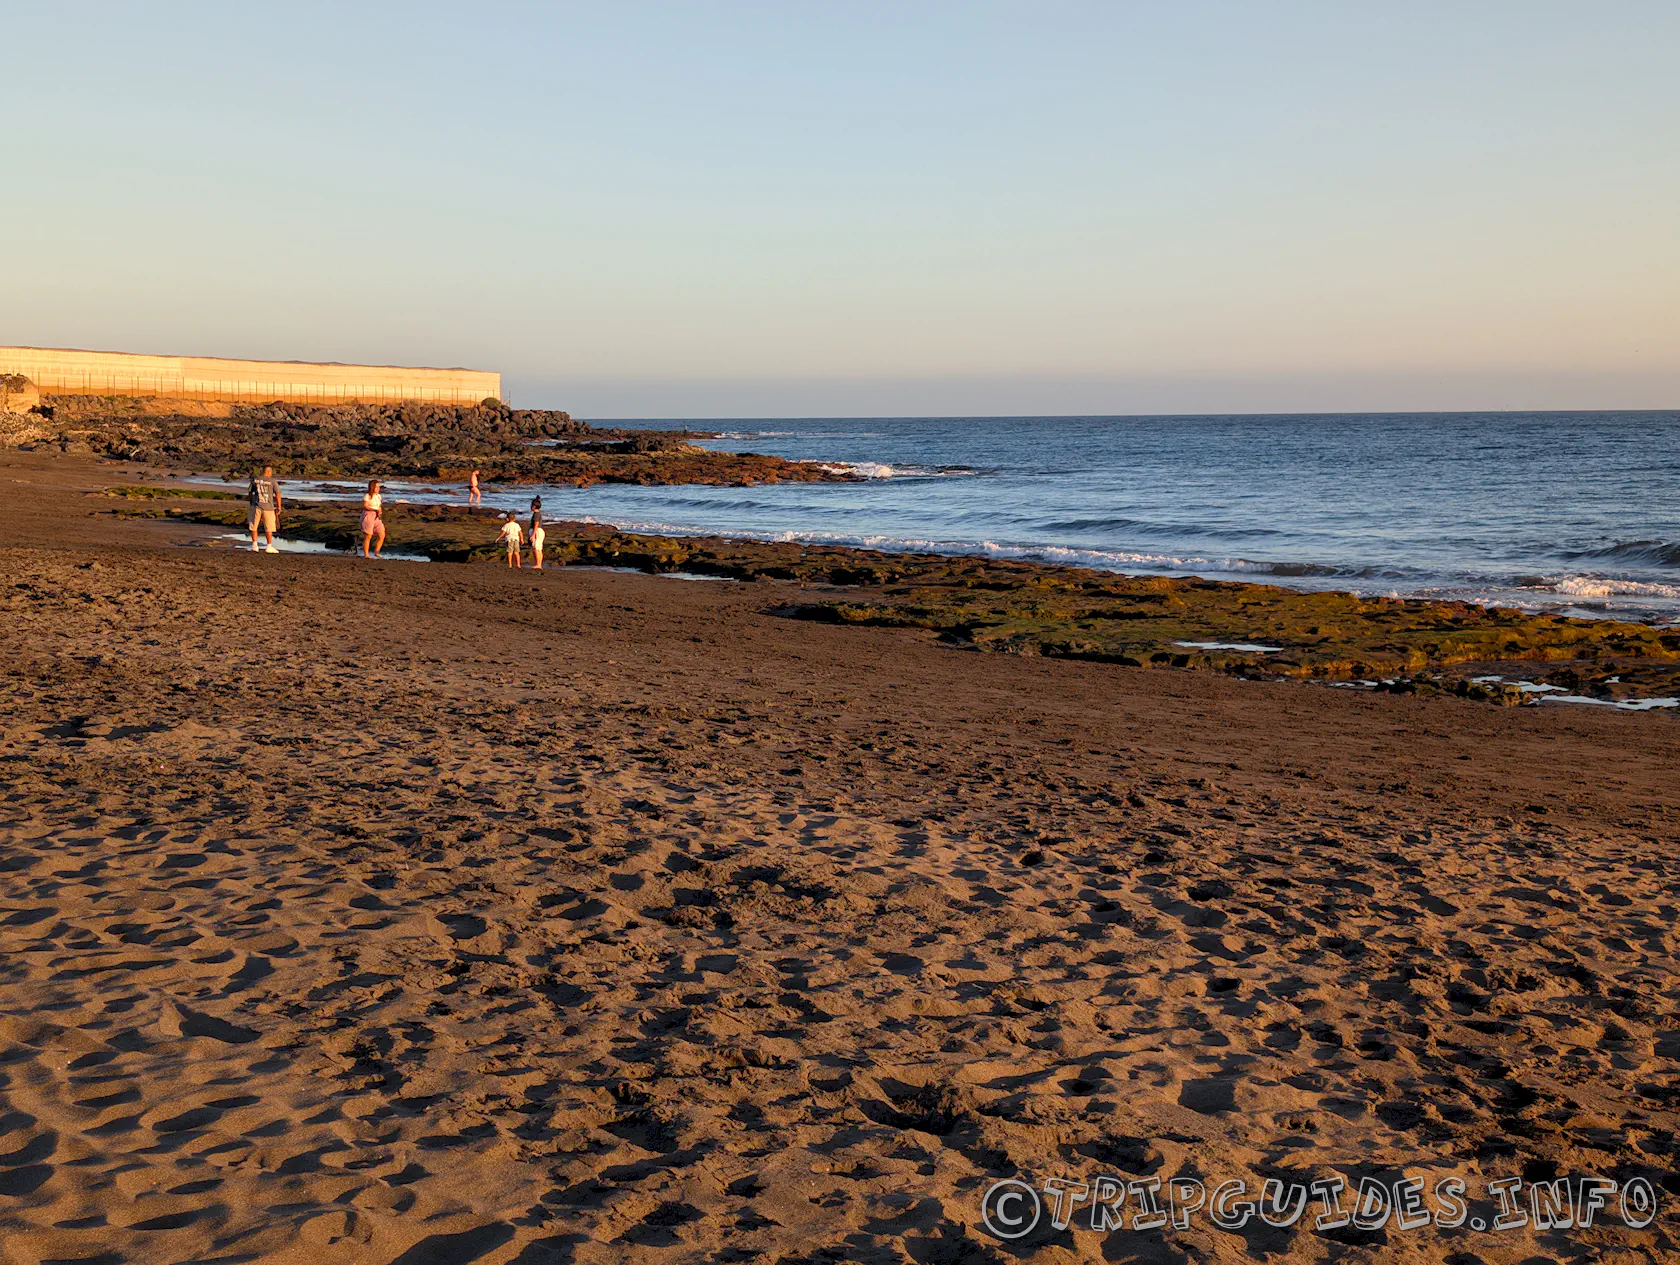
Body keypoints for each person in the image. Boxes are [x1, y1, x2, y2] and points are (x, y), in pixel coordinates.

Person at [247, 465, 282, 553]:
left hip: (256, 506)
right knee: (269, 527)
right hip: (268, 507)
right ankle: (269, 546)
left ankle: (255, 545)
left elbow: (250, 492)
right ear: (269, 472)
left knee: (254, 526)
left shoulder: (255, 479)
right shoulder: (272, 481)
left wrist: (251, 503)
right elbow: (278, 494)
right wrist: (279, 507)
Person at [360, 480, 386, 558]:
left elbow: (379, 506)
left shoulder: (378, 496)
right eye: (376, 487)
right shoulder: (367, 496)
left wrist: (380, 511)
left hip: (377, 516)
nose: (378, 489)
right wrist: (373, 509)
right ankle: (366, 554)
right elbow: (365, 506)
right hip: (368, 515)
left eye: (379, 487)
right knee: (368, 536)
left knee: (382, 535)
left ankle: (377, 552)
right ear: (372, 487)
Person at [528, 496, 546, 570]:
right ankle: (539, 564)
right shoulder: (538, 513)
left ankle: (538, 564)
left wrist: (533, 535)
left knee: (536, 548)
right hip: (539, 531)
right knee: (539, 548)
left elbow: (536, 524)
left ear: (534, 506)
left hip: (537, 531)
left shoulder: (536, 514)